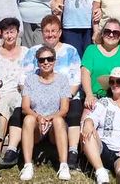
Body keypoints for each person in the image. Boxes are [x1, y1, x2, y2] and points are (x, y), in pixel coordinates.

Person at [10, 15, 83, 170]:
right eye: (47, 31)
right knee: (19, 111)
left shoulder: (70, 51)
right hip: (37, 95)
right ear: (42, 33)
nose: (50, 34)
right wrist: (33, 98)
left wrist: (62, 98)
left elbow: (76, 80)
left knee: (74, 111)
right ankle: (12, 150)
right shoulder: (33, 51)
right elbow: (23, 79)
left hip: (66, 96)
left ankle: (73, 151)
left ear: (60, 32)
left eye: (54, 31)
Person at [19, 44, 73, 181]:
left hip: (54, 126)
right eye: (42, 60)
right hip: (37, 124)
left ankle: (64, 165)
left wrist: (49, 118)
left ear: (55, 61)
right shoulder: (30, 79)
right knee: (28, 119)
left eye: (49, 59)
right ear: (37, 62)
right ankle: (27, 165)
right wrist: (38, 117)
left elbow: (64, 109)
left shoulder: (62, 80)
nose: (46, 62)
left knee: (59, 120)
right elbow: (25, 107)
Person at [81, 18, 120, 111]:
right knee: (87, 120)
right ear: (102, 33)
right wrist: (89, 95)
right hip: (96, 99)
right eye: (107, 31)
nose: (111, 34)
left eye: (115, 32)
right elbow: (85, 74)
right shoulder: (91, 50)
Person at [0, 18, 27, 150]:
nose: (9, 36)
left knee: (3, 105)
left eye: (12, 32)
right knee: (2, 103)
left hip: (19, 92)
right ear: (1, 34)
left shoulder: (25, 51)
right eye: (6, 32)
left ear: (18, 33)